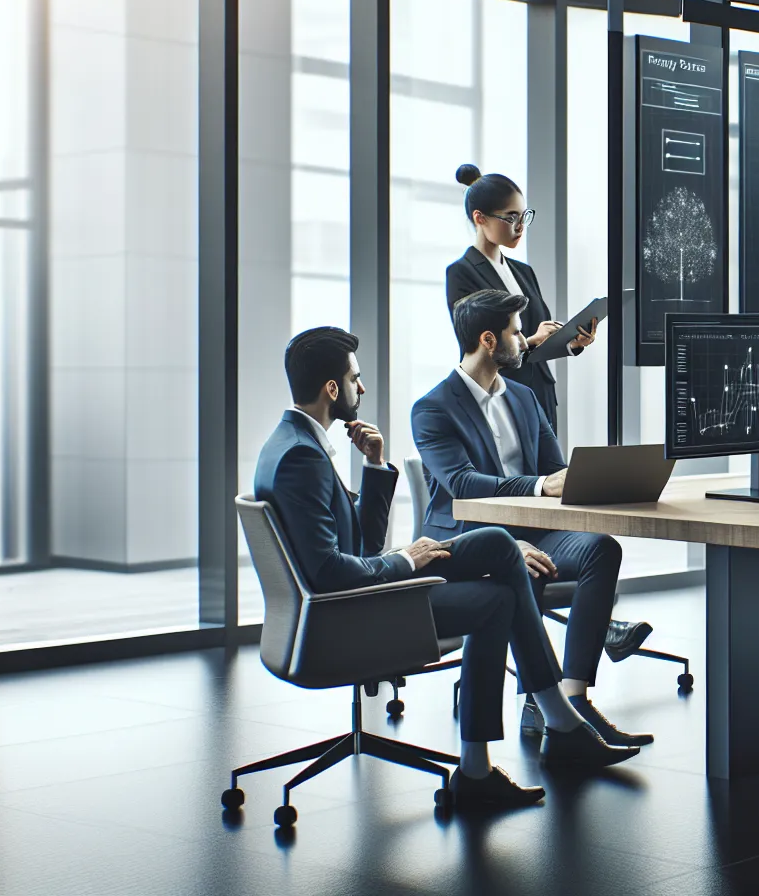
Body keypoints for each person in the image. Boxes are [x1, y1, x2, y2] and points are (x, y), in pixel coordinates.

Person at [253, 328, 638, 807]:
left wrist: (374, 466)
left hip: (354, 596)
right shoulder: (301, 458)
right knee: (498, 587)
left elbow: (359, 544)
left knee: (498, 554)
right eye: (355, 379)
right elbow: (329, 572)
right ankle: (543, 731)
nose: (362, 387)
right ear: (332, 389)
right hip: (347, 617)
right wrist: (405, 559)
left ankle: (522, 744)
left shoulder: (293, 444)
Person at [413, 289, 653, 749]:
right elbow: (462, 482)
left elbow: (555, 469)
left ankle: (574, 700)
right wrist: (540, 487)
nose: (524, 341)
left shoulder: (524, 397)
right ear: (489, 341)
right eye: (516, 333)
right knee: (523, 569)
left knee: (602, 548)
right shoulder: (433, 407)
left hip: (534, 530)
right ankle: (541, 708)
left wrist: (593, 481)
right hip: (472, 538)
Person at [445, 164, 595, 432]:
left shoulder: (523, 272)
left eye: (524, 216)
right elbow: (479, 345)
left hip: (540, 396)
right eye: (511, 217)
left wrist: (571, 342)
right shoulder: (461, 272)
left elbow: (538, 340)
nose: (521, 226)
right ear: (480, 218)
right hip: (500, 396)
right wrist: (533, 339)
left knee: (550, 462)